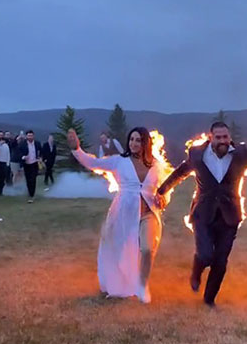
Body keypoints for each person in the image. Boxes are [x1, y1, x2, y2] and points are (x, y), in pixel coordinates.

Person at [155, 121, 247, 307]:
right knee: (205, 255)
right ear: (211, 137)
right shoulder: (197, 154)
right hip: (203, 213)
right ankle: (196, 272)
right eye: (218, 137)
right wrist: (161, 191)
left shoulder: (241, 155)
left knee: (220, 261)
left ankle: (209, 299)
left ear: (230, 138)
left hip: (229, 216)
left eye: (225, 137)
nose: (223, 141)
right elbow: (180, 173)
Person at [67, 127, 172, 303]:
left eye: (138, 140)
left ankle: (142, 285)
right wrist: (76, 149)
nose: (134, 143)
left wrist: (164, 199)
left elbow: (163, 190)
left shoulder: (156, 165)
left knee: (147, 249)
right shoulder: (118, 161)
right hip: (124, 212)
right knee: (122, 250)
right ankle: (120, 282)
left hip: (149, 213)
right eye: (131, 139)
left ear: (146, 143)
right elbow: (92, 163)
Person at [17, 130, 43, 203]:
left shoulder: (37, 143)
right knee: (28, 179)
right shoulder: (23, 144)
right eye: (28, 136)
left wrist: (40, 157)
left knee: (33, 178)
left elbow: (41, 151)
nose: (30, 137)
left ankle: (32, 194)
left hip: (35, 163)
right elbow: (18, 153)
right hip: (26, 164)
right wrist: (23, 157)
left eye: (31, 135)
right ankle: (30, 192)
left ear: (33, 136)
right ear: (26, 136)